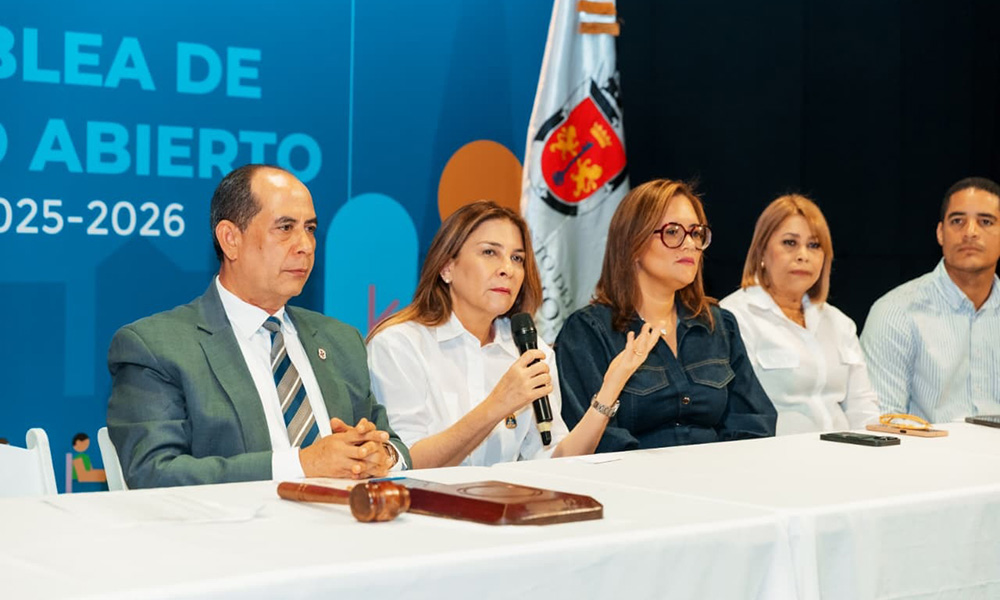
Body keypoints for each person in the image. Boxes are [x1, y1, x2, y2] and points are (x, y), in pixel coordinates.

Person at [107, 165, 408, 489]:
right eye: (285, 228)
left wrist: (381, 455)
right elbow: (154, 473)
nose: (306, 245)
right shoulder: (156, 347)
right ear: (230, 239)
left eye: (310, 228)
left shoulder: (341, 340)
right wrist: (302, 465)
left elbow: (393, 443)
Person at [366, 201, 660, 468]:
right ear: (446, 267)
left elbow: (555, 462)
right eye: (489, 252)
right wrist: (498, 404)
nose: (508, 269)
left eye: (517, 258)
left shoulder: (532, 351)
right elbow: (406, 462)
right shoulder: (399, 345)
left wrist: (610, 389)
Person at [557, 179, 776, 452]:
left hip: (717, 473)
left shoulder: (719, 325)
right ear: (633, 244)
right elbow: (594, 441)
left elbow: (754, 422)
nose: (690, 244)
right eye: (673, 232)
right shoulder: (588, 332)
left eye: (696, 233)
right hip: (629, 475)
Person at [719, 195, 879, 434]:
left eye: (814, 245)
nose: (803, 255)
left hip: (846, 450)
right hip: (773, 452)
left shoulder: (839, 323)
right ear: (761, 251)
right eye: (790, 243)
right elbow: (739, 415)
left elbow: (863, 408)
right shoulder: (734, 317)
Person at [861, 177, 1000, 422]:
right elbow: (884, 423)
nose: (970, 232)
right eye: (957, 221)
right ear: (940, 233)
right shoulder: (895, 312)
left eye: (985, 221)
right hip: (927, 447)